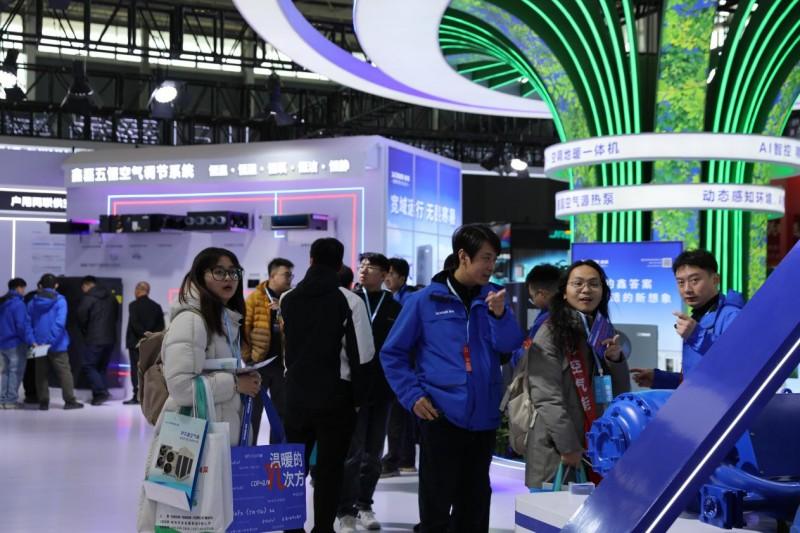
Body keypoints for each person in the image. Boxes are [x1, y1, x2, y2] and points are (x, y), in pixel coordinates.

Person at [381, 224, 524, 533]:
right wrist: (413, 396)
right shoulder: (424, 301)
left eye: (494, 258)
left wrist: (500, 316)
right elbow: (393, 354)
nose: (491, 266)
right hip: (440, 414)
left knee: (475, 505)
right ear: (463, 256)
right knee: (436, 503)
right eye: (485, 258)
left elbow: (510, 345)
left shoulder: (494, 299)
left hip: (483, 417)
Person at [137, 247, 261, 531]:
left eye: (233, 272)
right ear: (200, 276)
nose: (228, 278)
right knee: (178, 516)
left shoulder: (223, 318)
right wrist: (234, 384)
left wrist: (243, 377)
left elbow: (211, 367)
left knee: (207, 515)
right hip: (190, 435)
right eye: (219, 271)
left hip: (214, 430)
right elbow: (181, 387)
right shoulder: (192, 321)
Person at [280, 237, 374, 533]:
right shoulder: (350, 301)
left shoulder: (287, 299)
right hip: (336, 398)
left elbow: (288, 349)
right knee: (330, 469)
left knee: (293, 467)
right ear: (339, 265)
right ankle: (323, 528)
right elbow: (364, 355)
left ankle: (292, 528)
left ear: (310, 260)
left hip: (296, 395)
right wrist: (358, 400)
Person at [525, 260, 630, 489]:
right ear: (564, 292)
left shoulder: (602, 330)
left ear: (603, 292)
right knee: (553, 511)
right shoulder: (550, 333)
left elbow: (619, 394)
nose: (586, 290)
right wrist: (569, 446)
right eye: (578, 283)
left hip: (597, 447)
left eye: (594, 284)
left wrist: (615, 361)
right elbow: (546, 396)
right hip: (558, 452)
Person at [337, 253, 402, 533]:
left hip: (383, 389)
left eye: (371, 267)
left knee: (373, 454)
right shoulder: (348, 300)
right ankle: (345, 511)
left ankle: (364, 505)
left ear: (385, 274)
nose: (363, 270)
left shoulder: (394, 307)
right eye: (361, 265)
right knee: (352, 453)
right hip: (352, 389)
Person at [630, 250, 744, 389]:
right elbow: (697, 378)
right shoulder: (700, 315)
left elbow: (737, 364)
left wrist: (696, 335)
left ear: (715, 279)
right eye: (681, 282)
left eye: (694, 280)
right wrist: (660, 379)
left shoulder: (733, 315)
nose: (687, 289)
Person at [242, 257, 294, 443]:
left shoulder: (291, 299)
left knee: (282, 413)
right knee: (253, 413)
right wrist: (248, 358)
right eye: (286, 275)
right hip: (259, 364)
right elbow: (244, 329)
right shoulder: (255, 298)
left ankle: (276, 453)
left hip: (282, 366)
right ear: (272, 275)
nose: (290, 279)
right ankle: (250, 454)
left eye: (291, 275)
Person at [381, 257, 420, 478]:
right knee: (402, 415)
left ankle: (396, 460)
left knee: (399, 415)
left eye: (391, 274)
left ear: (402, 278)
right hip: (402, 364)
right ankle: (404, 460)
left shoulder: (408, 300)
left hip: (406, 365)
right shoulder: (395, 297)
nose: (387, 278)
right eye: (386, 273)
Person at [28, 274, 83, 410]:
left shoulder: (33, 302)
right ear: (56, 285)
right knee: (64, 373)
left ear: (40, 285)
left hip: (38, 344)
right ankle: (69, 401)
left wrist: (33, 340)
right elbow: (59, 324)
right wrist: (50, 341)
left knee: (40, 374)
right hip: (57, 344)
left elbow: (27, 323)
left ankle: (43, 402)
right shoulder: (60, 301)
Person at [77, 275, 119, 405]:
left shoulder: (88, 298)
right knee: (101, 367)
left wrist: (86, 331)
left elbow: (81, 317)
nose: (83, 290)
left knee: (89, 365)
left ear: (87, 285)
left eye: (83, 287)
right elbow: (116, 316)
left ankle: (101, 392)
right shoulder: (111, 297)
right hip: (110, 337)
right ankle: (99, 395)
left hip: (94, 338)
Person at [511, 264, 562, 368]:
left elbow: (522, 359)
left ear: (541, 294)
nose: (533, 301)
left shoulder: (544, 320)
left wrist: (513, 351)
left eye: (532, 296)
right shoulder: (572, 311)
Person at [124, 281, 165, 405]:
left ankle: (137, 396)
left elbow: (135, 324)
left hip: (135, 343)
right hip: (151, 345)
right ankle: (149, 397)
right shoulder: (156, 306)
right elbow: (161, 327)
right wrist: (149, 337)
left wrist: (142, 335)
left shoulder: (133, 305)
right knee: (149, 370)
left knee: (135, 370)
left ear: (138, 290)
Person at [0, 278, 36, 409]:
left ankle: (3, 400)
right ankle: (10, 401)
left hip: (3, 343)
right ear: (18, 288)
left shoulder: (3, 302)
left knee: (5, 372)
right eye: (23, 288)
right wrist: (31, 341)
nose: (24, 291)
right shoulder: (19, 304)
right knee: (15, 372)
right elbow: (22, 326)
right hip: (16, 344)